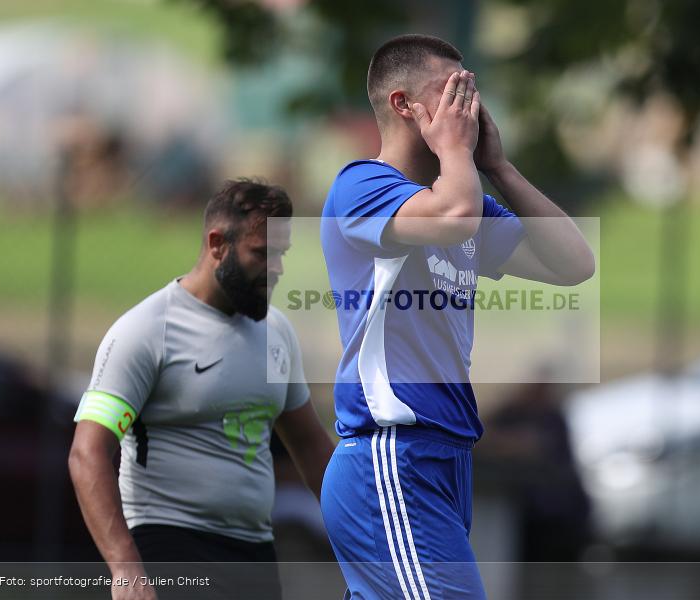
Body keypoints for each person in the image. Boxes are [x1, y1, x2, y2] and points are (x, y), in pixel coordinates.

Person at [319, 34, 595, 599]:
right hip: (393, 458)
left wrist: (499, 165)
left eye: (469, 90)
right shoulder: (363, 186)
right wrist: (454, 154)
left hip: (445, 459)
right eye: (450, 92)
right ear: (402, 105)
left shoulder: (462, 195)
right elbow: (454, 218)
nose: (466, 106)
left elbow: (574, 264)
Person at [68, 178, 334, 600]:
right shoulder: (147, 331)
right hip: (169, 548)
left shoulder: (277, 333)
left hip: (255, 554)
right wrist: (125, 571)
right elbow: (88, 453)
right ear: (217, 244)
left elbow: (312, 448)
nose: (277, 269)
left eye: (281, 255)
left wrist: (370, 540)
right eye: (263, 254)